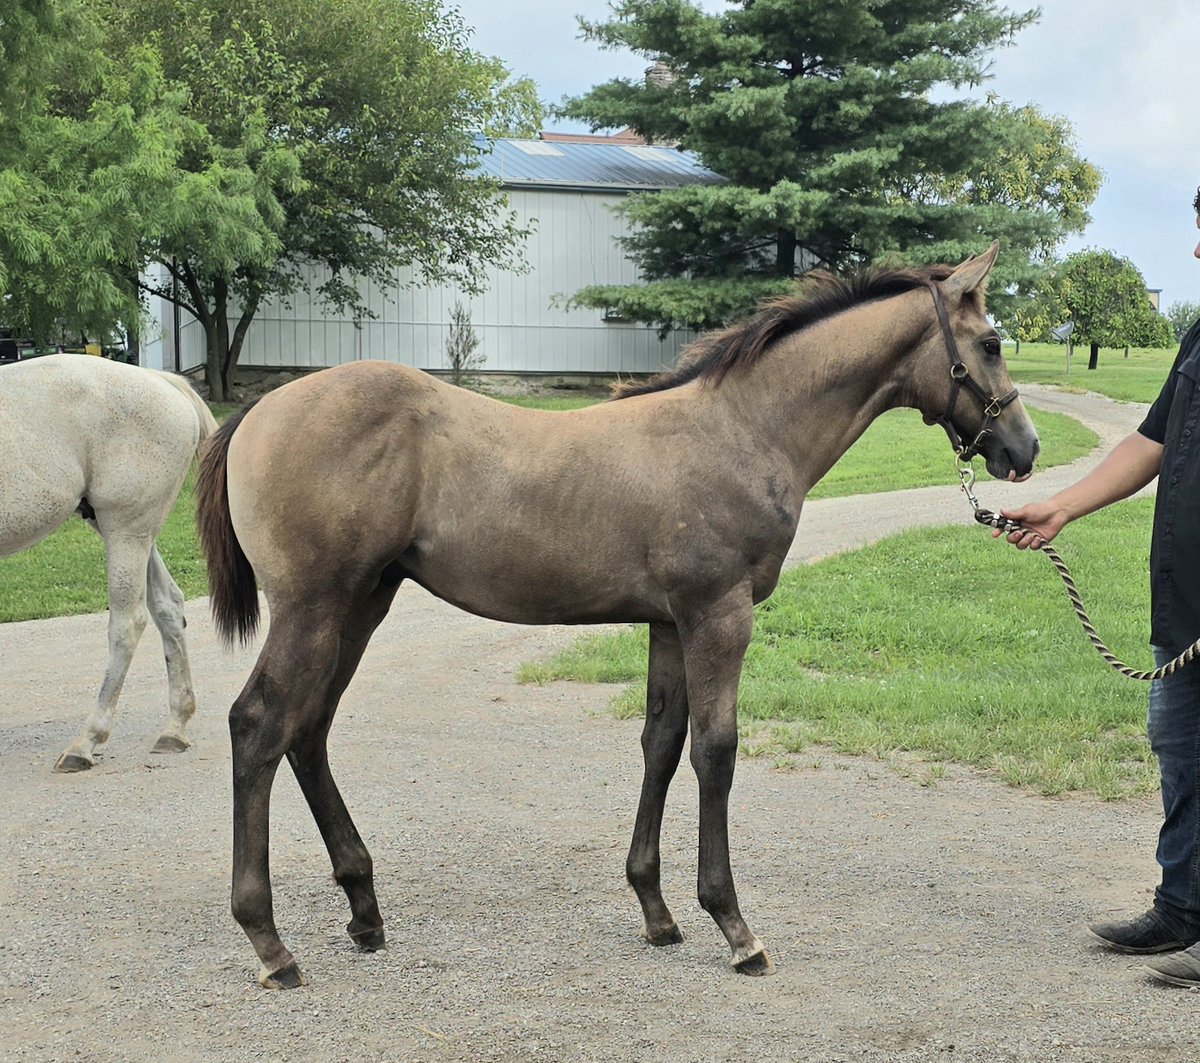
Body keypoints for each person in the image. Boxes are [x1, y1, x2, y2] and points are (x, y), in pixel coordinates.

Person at [996, 186, 1200, 987]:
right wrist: (1062, 507)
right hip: (1183, 607)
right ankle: (1182, 907)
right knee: (1180, 751)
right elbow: (1148, 443)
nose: (1194, 253)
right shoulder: (1196, 340)